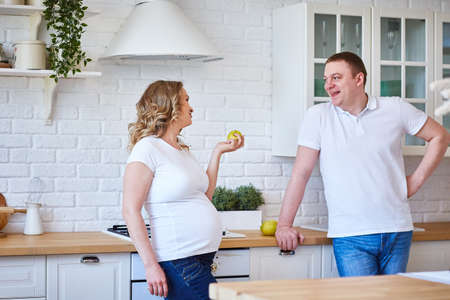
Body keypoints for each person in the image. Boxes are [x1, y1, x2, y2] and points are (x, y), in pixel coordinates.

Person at [275, 52, 450, 277]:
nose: (328, 85)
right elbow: (301, 173)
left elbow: (440, 136)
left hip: (397, 230)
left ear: (359, 79)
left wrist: (414, 183)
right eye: (326, 79)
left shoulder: (395, 108)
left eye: (336, 77)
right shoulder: (318, 116)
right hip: (351, 236)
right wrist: (284, 225)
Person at [122, 80, 244, 299]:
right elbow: (130, 210)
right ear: (170, 106)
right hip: (179, 258)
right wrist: (150, 265)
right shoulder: (147, 148)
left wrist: (217, 152)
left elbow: (203, 197)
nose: (191, 107)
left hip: (201, 257)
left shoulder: (180, 150)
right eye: (186, 100)